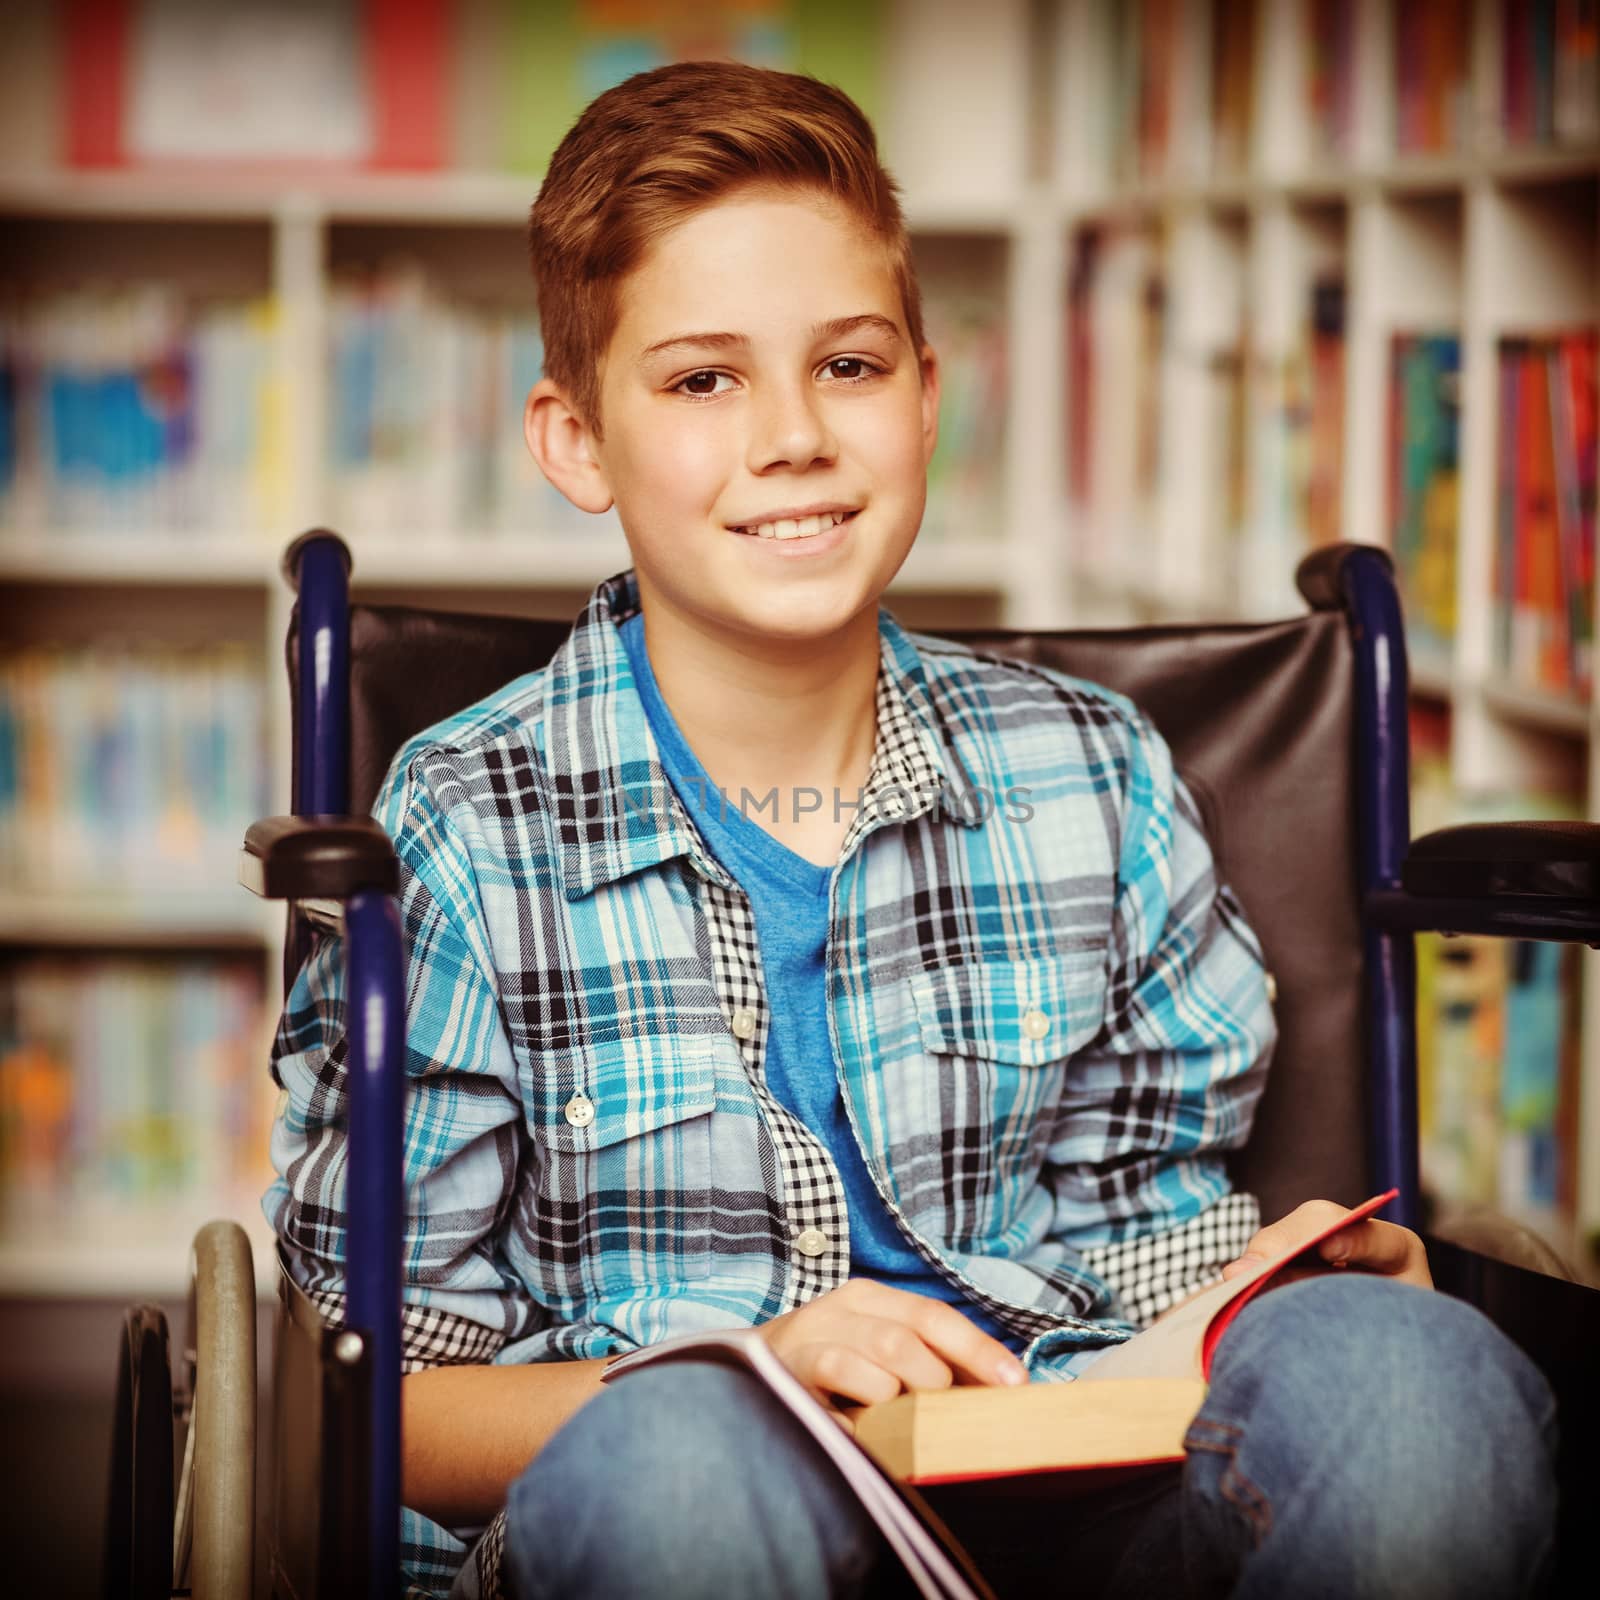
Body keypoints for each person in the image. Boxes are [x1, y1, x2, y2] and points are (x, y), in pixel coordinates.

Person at [266, 59, 1558, 1600]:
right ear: (576, 443)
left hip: (1069, 1493)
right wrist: (756, 1372)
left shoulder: (1095, 774)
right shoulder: (467, 831)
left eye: (852, 367)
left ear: (930, 396)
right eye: (702, 380)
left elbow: (1139, 1232)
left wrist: (1277, 1296)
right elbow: (384, 1402)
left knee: (1403, 1371)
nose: (796, 436)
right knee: (686, 1464)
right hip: (663, 1502)